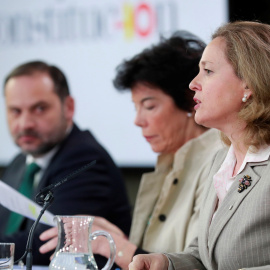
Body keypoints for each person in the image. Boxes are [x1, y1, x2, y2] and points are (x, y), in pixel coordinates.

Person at [39, 31, 223, 269]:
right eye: (136, 107)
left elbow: (199, 264)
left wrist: (115, 246)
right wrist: (113, 239)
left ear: (189, 100)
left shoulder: (220, 160)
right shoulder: (168, 165)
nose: (138, 120)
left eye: (149, 106)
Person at [128, 20, 270, 270]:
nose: (194, 83)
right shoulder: (221, 160)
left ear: (248, 83)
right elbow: (206, 257)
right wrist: (167, 263)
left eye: (208, 71)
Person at [0, 61, 131, 266]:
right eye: (15, 111)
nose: (25, 123)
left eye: (39, 109)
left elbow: (48, 245)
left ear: (68, 107)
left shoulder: (85, 159)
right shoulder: (20, 161)